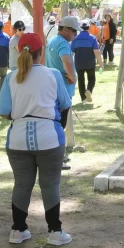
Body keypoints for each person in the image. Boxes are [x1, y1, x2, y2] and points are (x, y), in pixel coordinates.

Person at [0, 33, 73, 246]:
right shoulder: (53, 74)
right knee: (50, 185)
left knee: (21, 184)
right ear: (42, 52)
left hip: (18, 139)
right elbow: (65, 103)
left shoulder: (12, 77)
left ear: (19, 51)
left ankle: (18, 230)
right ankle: (55, 231)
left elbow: (3, 111)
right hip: (49, 137)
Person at [46, 16, 79, 171]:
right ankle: (58, 158)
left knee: (56, 124)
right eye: (73, 31)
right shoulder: (63, 44)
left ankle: (55, 157)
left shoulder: (52, 41)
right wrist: (72, 77)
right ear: (65, 29)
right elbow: (66, 61)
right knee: (60, 125)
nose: (75, 35)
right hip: (63, 91)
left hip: (53, 89)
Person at [70, 21, 103, 103]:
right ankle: (89, 90)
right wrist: (101, 64)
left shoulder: (75, 39)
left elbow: (71, 53)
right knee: (91, 79)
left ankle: (83, 98)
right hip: (90, 62)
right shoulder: (92, 38)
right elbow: (97, 52)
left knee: (81, 80)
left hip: (78, 63)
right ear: (89, 28)